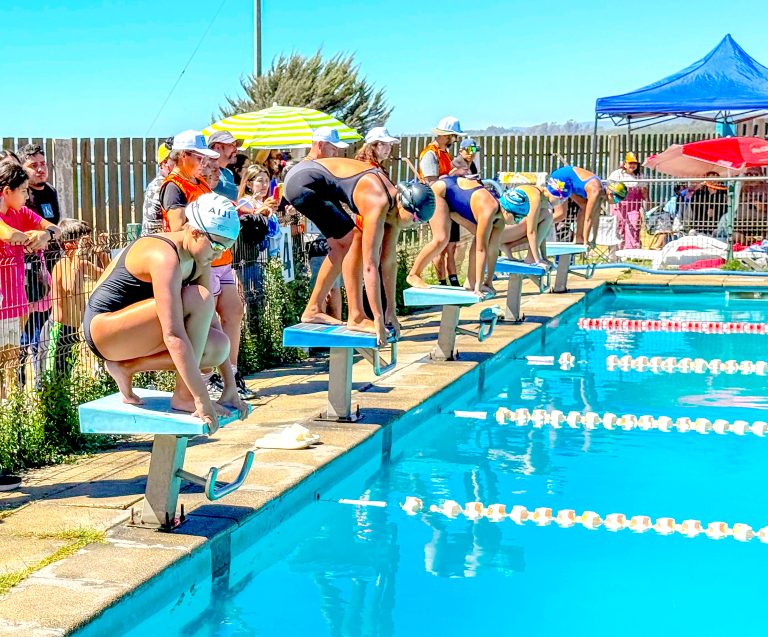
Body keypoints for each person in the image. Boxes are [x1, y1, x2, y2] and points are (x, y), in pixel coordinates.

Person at [82, 193, 247, 431]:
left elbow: (211, 320)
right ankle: (184, 397)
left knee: (218, 345)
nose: (219, 254)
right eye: (218, 245)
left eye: (228, 247)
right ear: (195, 232)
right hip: (104, 331)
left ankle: (127, 367)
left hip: (135, 331)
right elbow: (173, 335)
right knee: (198, 298)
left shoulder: (200, 255)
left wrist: (229, 387)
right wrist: (200, 398)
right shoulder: (164, 256)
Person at [284, 157, 436, 345]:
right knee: (354, 239)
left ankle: (313, 309)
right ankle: (356, 316)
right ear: (405, 205)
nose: (414, 224)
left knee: (342, 246)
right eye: (415, 219)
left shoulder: (395, 208)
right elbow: (370, 266)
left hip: (317, 183)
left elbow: (388, 262)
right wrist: (378, 317)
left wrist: (391, 310)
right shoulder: (379, 201)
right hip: (303, 182)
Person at [161, 131, 254, 401]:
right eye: (199, 156)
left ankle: (231, 373)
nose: (205, 162)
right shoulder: (173, 186)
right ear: (183, 156)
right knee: (207, 324)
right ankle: (204, 378)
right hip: (200, 264)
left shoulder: (199, 181)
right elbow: (179, 227)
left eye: (206, 157)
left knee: (234, 311)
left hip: (219, 259)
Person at [0, 162, 60, 398]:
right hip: (3, 301)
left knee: (12, 362)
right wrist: (31, 237)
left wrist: (45, 234)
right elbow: (8, 234)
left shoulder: (19, 212)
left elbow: (54, 227)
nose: (27, 195)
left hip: (16, 299)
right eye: (24, 190)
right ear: (7, 191)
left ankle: (11, 414)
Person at [17, 144, 65, 388]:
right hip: (29, 266)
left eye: (43, 164)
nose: (40, 169)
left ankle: (38, 365)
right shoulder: (22, 197)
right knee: (32, 318)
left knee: (47, 316)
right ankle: (24, 367)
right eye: (33, 165)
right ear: (23, 169)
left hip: (52, 262)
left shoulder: (51, 192)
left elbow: (54, 225)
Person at [40, 219, 106, 379]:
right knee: (51, 378)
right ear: (69, 245)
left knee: (65, 375)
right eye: (83, 241)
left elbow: (107, 276)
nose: (88, 244)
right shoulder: (62, 264)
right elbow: (71, 288)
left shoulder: (81, 263)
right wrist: (78, 256)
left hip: (71, 331)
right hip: (58, 331)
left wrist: (101, 253)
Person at [430, 176, 505, 296]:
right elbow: (482, 250)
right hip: (442, 194)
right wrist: (479, 287)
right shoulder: (489, 210)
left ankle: (469, 281)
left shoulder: (499, 220)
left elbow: (493, 250)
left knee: (455, 246)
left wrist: (488, 282)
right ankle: (415, 274)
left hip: (455, 205)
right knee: (441, 241)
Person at [413, 116, 466, 288]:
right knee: (440, 244)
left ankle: (452, 281)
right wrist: (453, 174)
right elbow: (432, 182)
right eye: (453, 136)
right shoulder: (430, 154)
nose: (455, 140)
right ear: (446, 136)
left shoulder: (443, 153)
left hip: (448, 202)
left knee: (450, 245)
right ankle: (440, 281)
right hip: (436, 202)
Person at [499, 177, 572, 265]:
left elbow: (542, 233)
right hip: (498, 231)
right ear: (556, 195)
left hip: (499, 230)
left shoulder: (534, 191)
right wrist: (538, 261)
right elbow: (531, 232)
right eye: (562, 199)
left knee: (546, 217)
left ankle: (508, 247)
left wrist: (544, 258)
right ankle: (531, 258)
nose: (560, 203)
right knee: (547, 215)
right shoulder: (535, 199)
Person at [550, 165, 627, 245]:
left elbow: (596, 218)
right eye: (617, 199)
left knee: (584, 206)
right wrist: (586, 243)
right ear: (611, 193)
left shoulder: (601, 194)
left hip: (568, 181)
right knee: (561, 214)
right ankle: (538, 225)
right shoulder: (596, 192)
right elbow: (588, 218)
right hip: (560, 179)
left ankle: (579, 238)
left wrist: (594, 239)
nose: (617, 202)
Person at [607, 152, 648, 249]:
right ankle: (617, 249)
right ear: (625, 164)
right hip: (619, 204)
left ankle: (632, 249)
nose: (632, 165)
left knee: (634, 224)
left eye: (634, 163)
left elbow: (644, 191)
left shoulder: (640, 176)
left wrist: (647, 202)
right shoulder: (617, 174)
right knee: (619, 225)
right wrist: (612, 200)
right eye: (630, 163)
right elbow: (609, 187)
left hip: (634, 204)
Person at [142, 139, 175, 236]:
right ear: (163, 164)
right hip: (157, 241)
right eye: (175, 160)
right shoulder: (164, 185)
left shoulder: (158, 183)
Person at [686, 172, 729, 236]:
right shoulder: (699, 193)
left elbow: (726, 209)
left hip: (718, 225)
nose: (714, 178)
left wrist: (715, 212)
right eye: (711, 176)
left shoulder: (724, 193)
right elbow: (694, 208)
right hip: (701, 226)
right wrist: (706, 211)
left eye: (716, 176)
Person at [206, 131, 243, 200]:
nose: (236, 150)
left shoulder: (229, 173)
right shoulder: (206, 171)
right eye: (232, 145)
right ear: (217, 147)